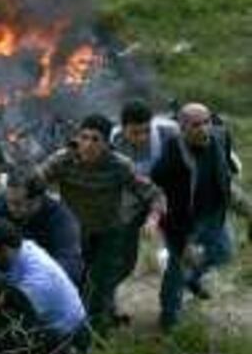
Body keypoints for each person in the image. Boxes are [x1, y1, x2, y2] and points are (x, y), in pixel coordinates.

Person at [39, 114, 165, 332]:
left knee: (103, 283)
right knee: (76, 282)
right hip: (74, 232)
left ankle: (95, 333)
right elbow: (33, 183)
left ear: (107, 143)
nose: (88, 145)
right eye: (84, 138)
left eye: (96, 139)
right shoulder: (63, 160)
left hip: (109, 232)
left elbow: (154, 194)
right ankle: (83, 324)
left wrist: (153, 219)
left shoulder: (119, 165)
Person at [151, 103, 235, 331]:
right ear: (182, 128)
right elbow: (168, 202)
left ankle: (193, 279)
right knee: (176, 269)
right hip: (183, 221)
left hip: (214, 213)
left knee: (223, 252)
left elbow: (226, 171)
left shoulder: (221, 136)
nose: (203, 129)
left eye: (206, 122)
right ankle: (168, 318)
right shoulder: (172, 156)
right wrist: (183, 242)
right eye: (195, 125)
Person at [0, 168, 83, 283]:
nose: (10, 208)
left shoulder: (61, 220)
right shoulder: (4, 204)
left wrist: (32, 276)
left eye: (17, 204)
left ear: (37, 200)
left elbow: (71, 266)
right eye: (8, 201)